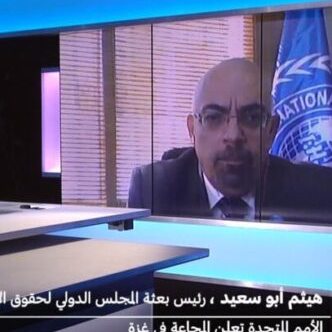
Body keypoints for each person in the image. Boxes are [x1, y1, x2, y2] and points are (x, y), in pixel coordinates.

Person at [128, 58, 332, 223]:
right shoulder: (153, 190)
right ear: (192, 130)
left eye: (253, 117)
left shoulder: (317, 192)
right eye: (213, 117)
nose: (233, 136)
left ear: (272, 130)